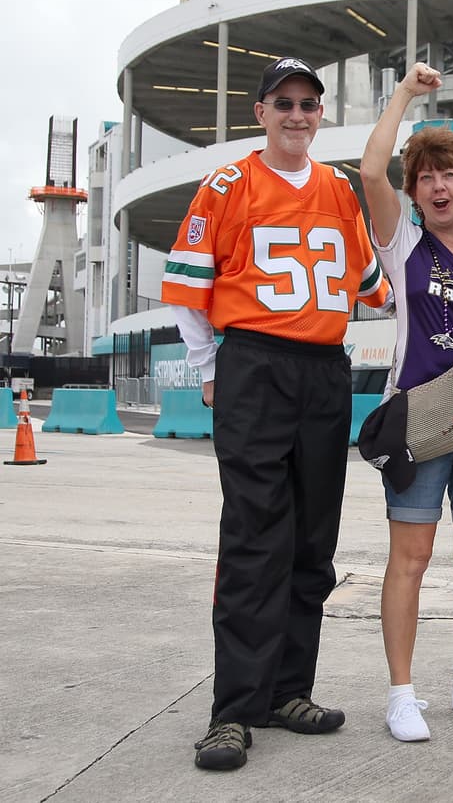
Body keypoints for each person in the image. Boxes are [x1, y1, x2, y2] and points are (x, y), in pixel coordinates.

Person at [163, 57, 392, 771]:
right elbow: (188, 286)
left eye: (309, 104)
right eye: (284, 103)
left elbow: (370, 287)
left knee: (311, 539)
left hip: (324, 369)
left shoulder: (337, 187)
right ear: (260, 111)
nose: (297, 115)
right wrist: (209, 369)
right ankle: (233, 710)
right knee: (255, 536)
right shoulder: (228, 183)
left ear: (321, 115)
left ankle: (289, 690)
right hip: (256, 363)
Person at [359, 63, 453, 744]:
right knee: (412, 558)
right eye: (425, 176)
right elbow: (370, 174)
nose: (438, 185)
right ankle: (401, 694)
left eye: (449, 174)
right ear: (415, 191)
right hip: (424, 416)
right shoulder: (405, 245)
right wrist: (405, 95)